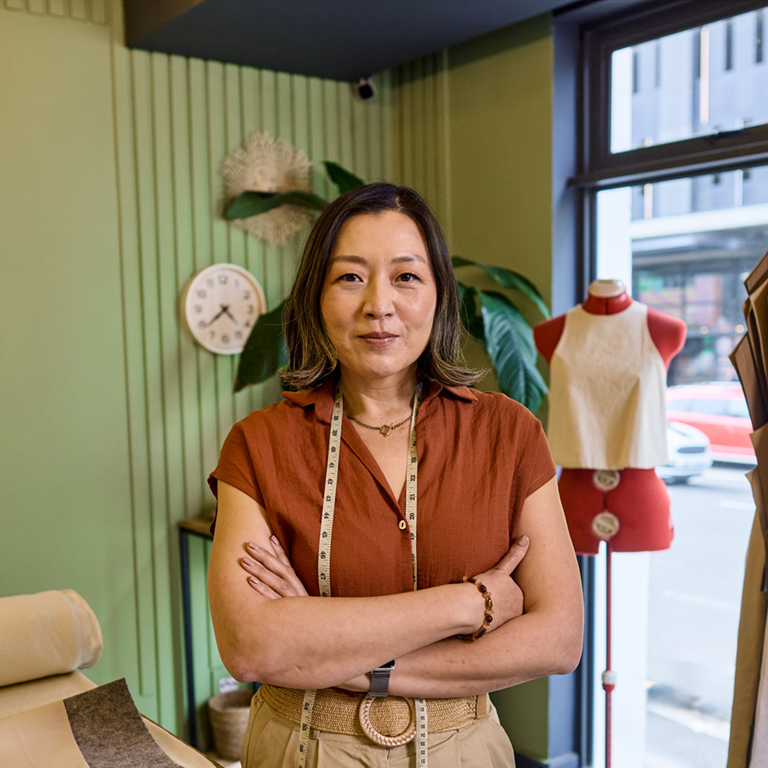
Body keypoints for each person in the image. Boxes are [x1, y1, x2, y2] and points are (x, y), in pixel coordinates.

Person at [207, 183, 583, 768]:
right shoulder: (258, 445)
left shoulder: (509, 434)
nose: (378, 304)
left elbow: (559, 639)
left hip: (465, 751)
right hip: (300, 750)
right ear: (315, 298)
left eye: (406, 277)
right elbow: (251, 647)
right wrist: (470, 603)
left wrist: (342, 658)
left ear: (438, 296)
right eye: (350, 277)